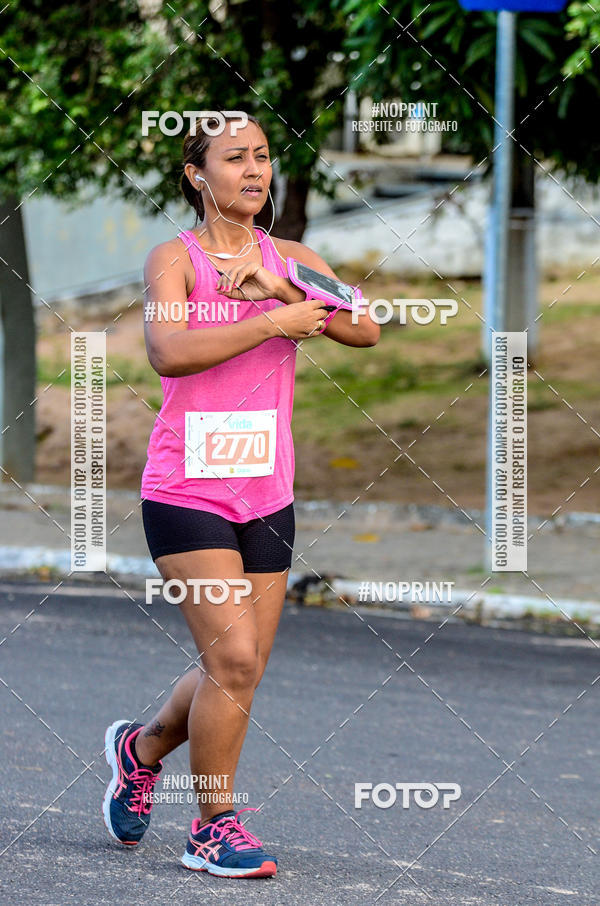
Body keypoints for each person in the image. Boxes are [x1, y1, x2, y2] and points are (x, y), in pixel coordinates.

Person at [102, 111, 379, 879]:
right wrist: (272, 323)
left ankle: (141, 749)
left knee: (237, 667)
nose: (254, 170)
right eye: (234, 158)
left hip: (267, 494)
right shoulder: (174, 259)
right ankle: (213, 828)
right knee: (234, 658)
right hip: (186, 490)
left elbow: (366, 328)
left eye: (261, 156)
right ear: (197, 175)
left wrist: (281, 287)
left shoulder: (294, 258)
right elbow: (168, 350)